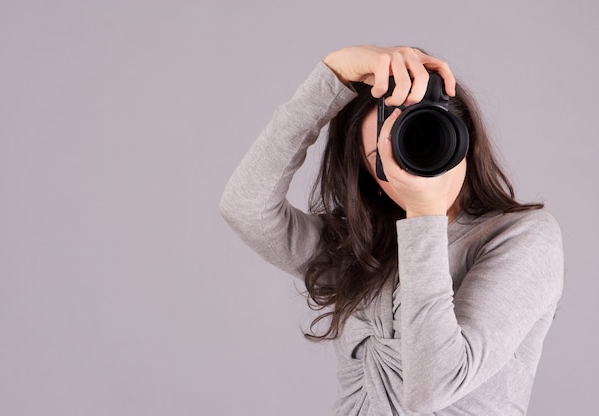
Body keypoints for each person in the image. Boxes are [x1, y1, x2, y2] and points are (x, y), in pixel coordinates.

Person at [220, 45, 563, 415]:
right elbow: (246, 207)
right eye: (384, 156)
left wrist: (425, 215)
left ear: (464, 136)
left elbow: (433, 386)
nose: (410, 160)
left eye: (422, 135)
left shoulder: (524, 238)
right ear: (370, 178)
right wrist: (330, 77)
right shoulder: (360, 246)